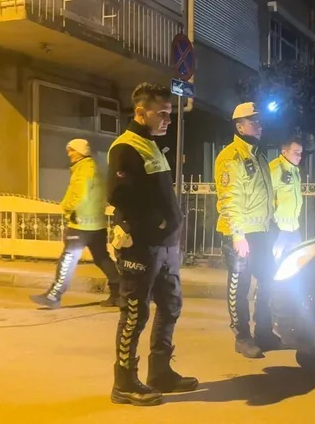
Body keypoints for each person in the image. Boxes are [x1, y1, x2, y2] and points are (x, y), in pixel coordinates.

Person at [106, 82, 198, 406]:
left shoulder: (151, 145)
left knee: (170, 306)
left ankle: (160, 372)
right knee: (135, 313)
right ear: (140, 112)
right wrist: (157, 223)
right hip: (140, 246)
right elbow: (118, 196)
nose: (168, 120)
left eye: (170, 114)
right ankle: (124, 382)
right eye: (162, 114)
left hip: (165, 246)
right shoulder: (125, 147)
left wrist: (170, 228)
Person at [214, 102, 281, 359]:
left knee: (267, 281)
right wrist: (238, 235)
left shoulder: (258, 156)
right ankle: (242, 337)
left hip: (261, 232)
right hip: (241, 236)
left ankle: (264, 331)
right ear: (239, 127)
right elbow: (229, 199)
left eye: (260, 122)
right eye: (253, 122)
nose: (259, 126)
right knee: (239, 287)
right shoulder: (231, 157)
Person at [30, 139, 120, 309]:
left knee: (68, 259)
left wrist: (66, 207)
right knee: (102, 258)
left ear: (81, 152)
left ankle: (54, 295)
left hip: (80, 223)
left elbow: (79, 194)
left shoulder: (83, 169)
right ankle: (120, 293)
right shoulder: (95, 167)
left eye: (72, 150)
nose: (69, 154)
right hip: (97, 224)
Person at [270, 138, 304, 262]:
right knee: (276, 265)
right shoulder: (275, 169)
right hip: (278, 229)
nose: (299, 156)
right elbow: (266, 197)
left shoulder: (295, 170)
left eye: (300, 153)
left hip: (294, 227)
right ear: (284, 152)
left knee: (295, 264)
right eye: (296, 152)